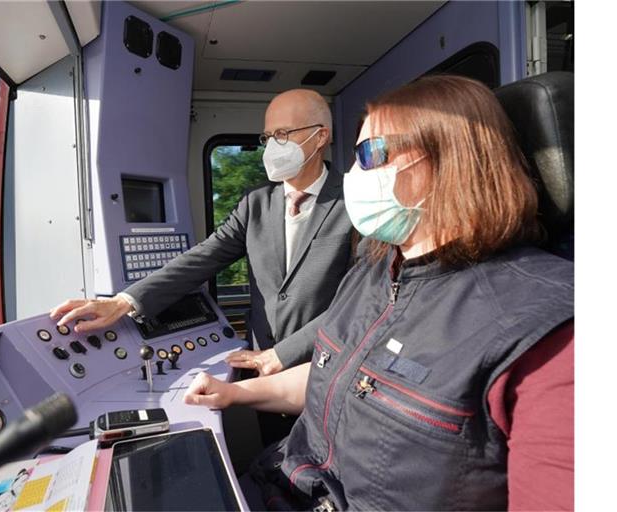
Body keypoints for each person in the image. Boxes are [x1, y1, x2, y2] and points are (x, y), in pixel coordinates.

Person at [183, 75, 573, 510]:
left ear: (447, 159)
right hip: (284, 485)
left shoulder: (552, 331)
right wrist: (236, 393)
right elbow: (339, 371)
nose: (352, 175)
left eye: (370, 155)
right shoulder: (374, 270)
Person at [51, 89, 354, 374]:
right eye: (268, 136)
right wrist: (124, 302)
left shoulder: (354, 202)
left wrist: (283, 355)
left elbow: (359, 301)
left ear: (320, 137)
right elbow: (202, 258)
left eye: (283, 134)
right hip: (260, 361)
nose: (273, 145)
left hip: (323, 365)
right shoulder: (255, 203)